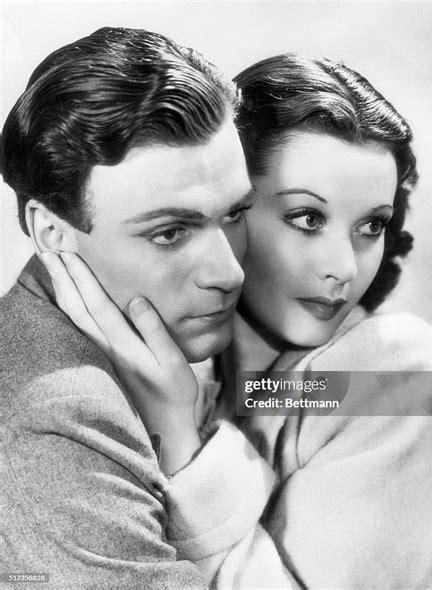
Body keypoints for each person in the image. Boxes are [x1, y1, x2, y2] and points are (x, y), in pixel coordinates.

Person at [46, 53, 432, 588]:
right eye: (307, 219)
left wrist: (180, 436)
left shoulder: (407, 374)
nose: (343, 268)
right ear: (228, 208)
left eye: (371, 225)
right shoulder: (189, 364)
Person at [0, 27, 296, 588]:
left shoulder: (177, 340)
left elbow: (420, 394)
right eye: (169, 233)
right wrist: (182, 437)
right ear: (51, 230)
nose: (229, 272)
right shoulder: (59, 414)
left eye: (234, 214)